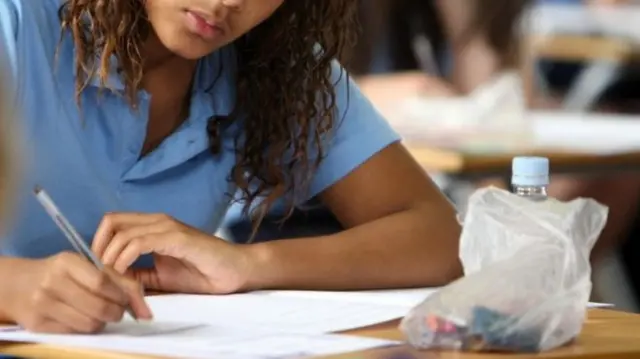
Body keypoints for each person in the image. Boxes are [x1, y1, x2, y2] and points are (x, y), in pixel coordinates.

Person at [0, 0, 462, 334]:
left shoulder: (278, 68)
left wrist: (248, 264)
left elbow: (441, 239)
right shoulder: (17, 24)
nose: (229, 2)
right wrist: (14, 287)